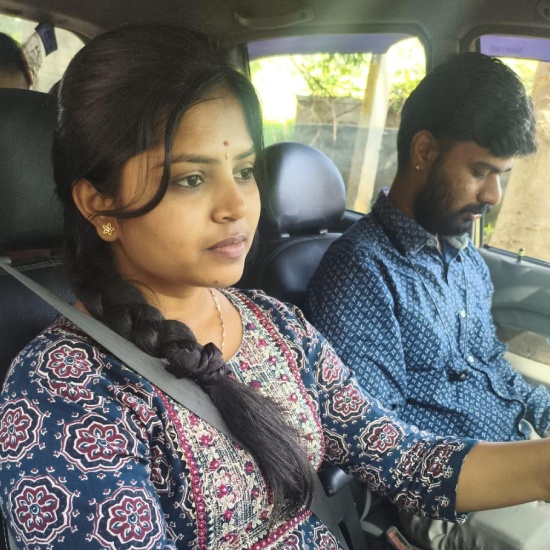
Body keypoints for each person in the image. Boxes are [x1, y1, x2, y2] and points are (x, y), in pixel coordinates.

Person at [1, 27, 550, 550]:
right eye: (192, 178)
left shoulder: (278, 326)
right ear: (99, 204)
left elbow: (403, 458)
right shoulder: (61, 392)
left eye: (243, 171)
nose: (237, 205)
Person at [306, 53, 550, 549]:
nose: (494, 195)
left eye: (501, 174)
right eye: (480, 171)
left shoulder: (464, 259)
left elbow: (494, 370)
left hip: (518, 451)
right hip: (447, 497)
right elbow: (381, 443)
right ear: (424, 151)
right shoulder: (360, 272)